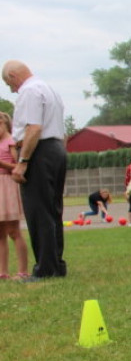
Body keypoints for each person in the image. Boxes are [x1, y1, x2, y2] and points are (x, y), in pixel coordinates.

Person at [1, 60, 67, 280]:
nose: (12, 90)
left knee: (38, 212)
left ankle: (45, 269)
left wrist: (23, 161)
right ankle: (56, 265)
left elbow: (34, 127)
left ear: (12, 76)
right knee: (53, 210)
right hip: (56, 148)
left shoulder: (29, 91)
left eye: (10, 85)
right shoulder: (49, 90)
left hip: (38, 150)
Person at [0, 110, 30, 279]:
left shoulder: (10, 142)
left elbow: (16, 165)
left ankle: (22, 270)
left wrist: (2, 163)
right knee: (0, 233)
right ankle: (2, 272)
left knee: (13, 231)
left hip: (7, 185)